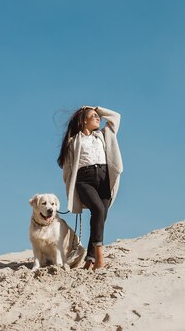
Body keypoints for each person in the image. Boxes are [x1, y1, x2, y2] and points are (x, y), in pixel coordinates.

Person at [57, 105, 123, 270]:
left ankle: (90, 259)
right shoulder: (73, 141)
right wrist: (70, 191)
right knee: (99, 211)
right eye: (93, 116)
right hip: (84, 181)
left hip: (104, 179)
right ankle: (99, 257)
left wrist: (96, 109)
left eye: (98, 116)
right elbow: (67, 170)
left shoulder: (102, 135)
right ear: (83, 121)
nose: (98, 118)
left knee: (100, 217)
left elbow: (116, 117)